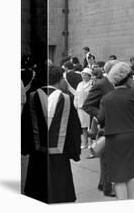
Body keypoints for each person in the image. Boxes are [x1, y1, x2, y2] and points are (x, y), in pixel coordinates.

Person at [21, 65, 81, 203]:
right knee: (60, 193)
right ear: (60, 80)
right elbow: (74, 128)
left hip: (38, 155)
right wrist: (74, 152)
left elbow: (25, 125)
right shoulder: (66, 99)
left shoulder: (32, 96)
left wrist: (26, 148)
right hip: (60, 156)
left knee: (38, 192)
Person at [98, 62, 134, 200]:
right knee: (129, 173)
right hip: (132, 135)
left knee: (118, 176)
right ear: (127, 79)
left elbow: (101, 120)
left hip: (114, 137)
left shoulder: (106, 98)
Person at [82, 59, 117, 197]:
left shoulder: (116, 84)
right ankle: (107, 188)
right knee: (107, 158)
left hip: (116, 125)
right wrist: (101, 116)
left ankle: (103, 184)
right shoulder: (101, 84)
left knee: (108, 158)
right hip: (106, 126)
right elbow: (87, 105)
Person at [74, 67, 94, 149]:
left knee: (90, 126)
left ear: (89, 76)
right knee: (83, 127)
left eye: (85, 75)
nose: (83, 76)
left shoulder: (92, 83)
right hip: (80, 107)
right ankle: (84, 143)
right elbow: (76, 95)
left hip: (89, 107)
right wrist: (76, 104)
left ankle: (91, 143)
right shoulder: (80, 84)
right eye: (82, 74)